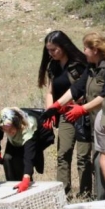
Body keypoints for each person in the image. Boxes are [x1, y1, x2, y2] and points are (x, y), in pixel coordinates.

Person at [42, 32, 105, 197]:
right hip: (97, 122)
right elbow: (76, 89)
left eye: (85, 48)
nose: (83, 52)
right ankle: (102, 198)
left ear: (95, 49)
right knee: (99, 161)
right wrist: (54, 107)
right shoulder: (91, 68)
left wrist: (82, 109)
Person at [37, 31, 91, 197]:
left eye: (54, 50)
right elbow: (50, 91)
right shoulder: (53, 66)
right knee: (63, 154)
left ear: (63, 46)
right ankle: (63, 193)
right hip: (64, 115)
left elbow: (86, 90)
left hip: (82, 113)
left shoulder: (80, 63)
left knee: (83, 157)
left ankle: (86, 194)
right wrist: (50, 111)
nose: (51, 53)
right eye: (48, 50)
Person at [0, 107, 56, 192]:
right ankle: (13, 187)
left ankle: (27, 190)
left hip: (39, 137)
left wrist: (26, 178)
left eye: (10, 129)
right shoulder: (4, 121)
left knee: (20, 161)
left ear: (16, 123)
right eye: (5, 130)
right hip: (18, 136)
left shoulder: (29, 127)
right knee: (7, 159)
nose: (8, 132)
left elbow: (29, 157)